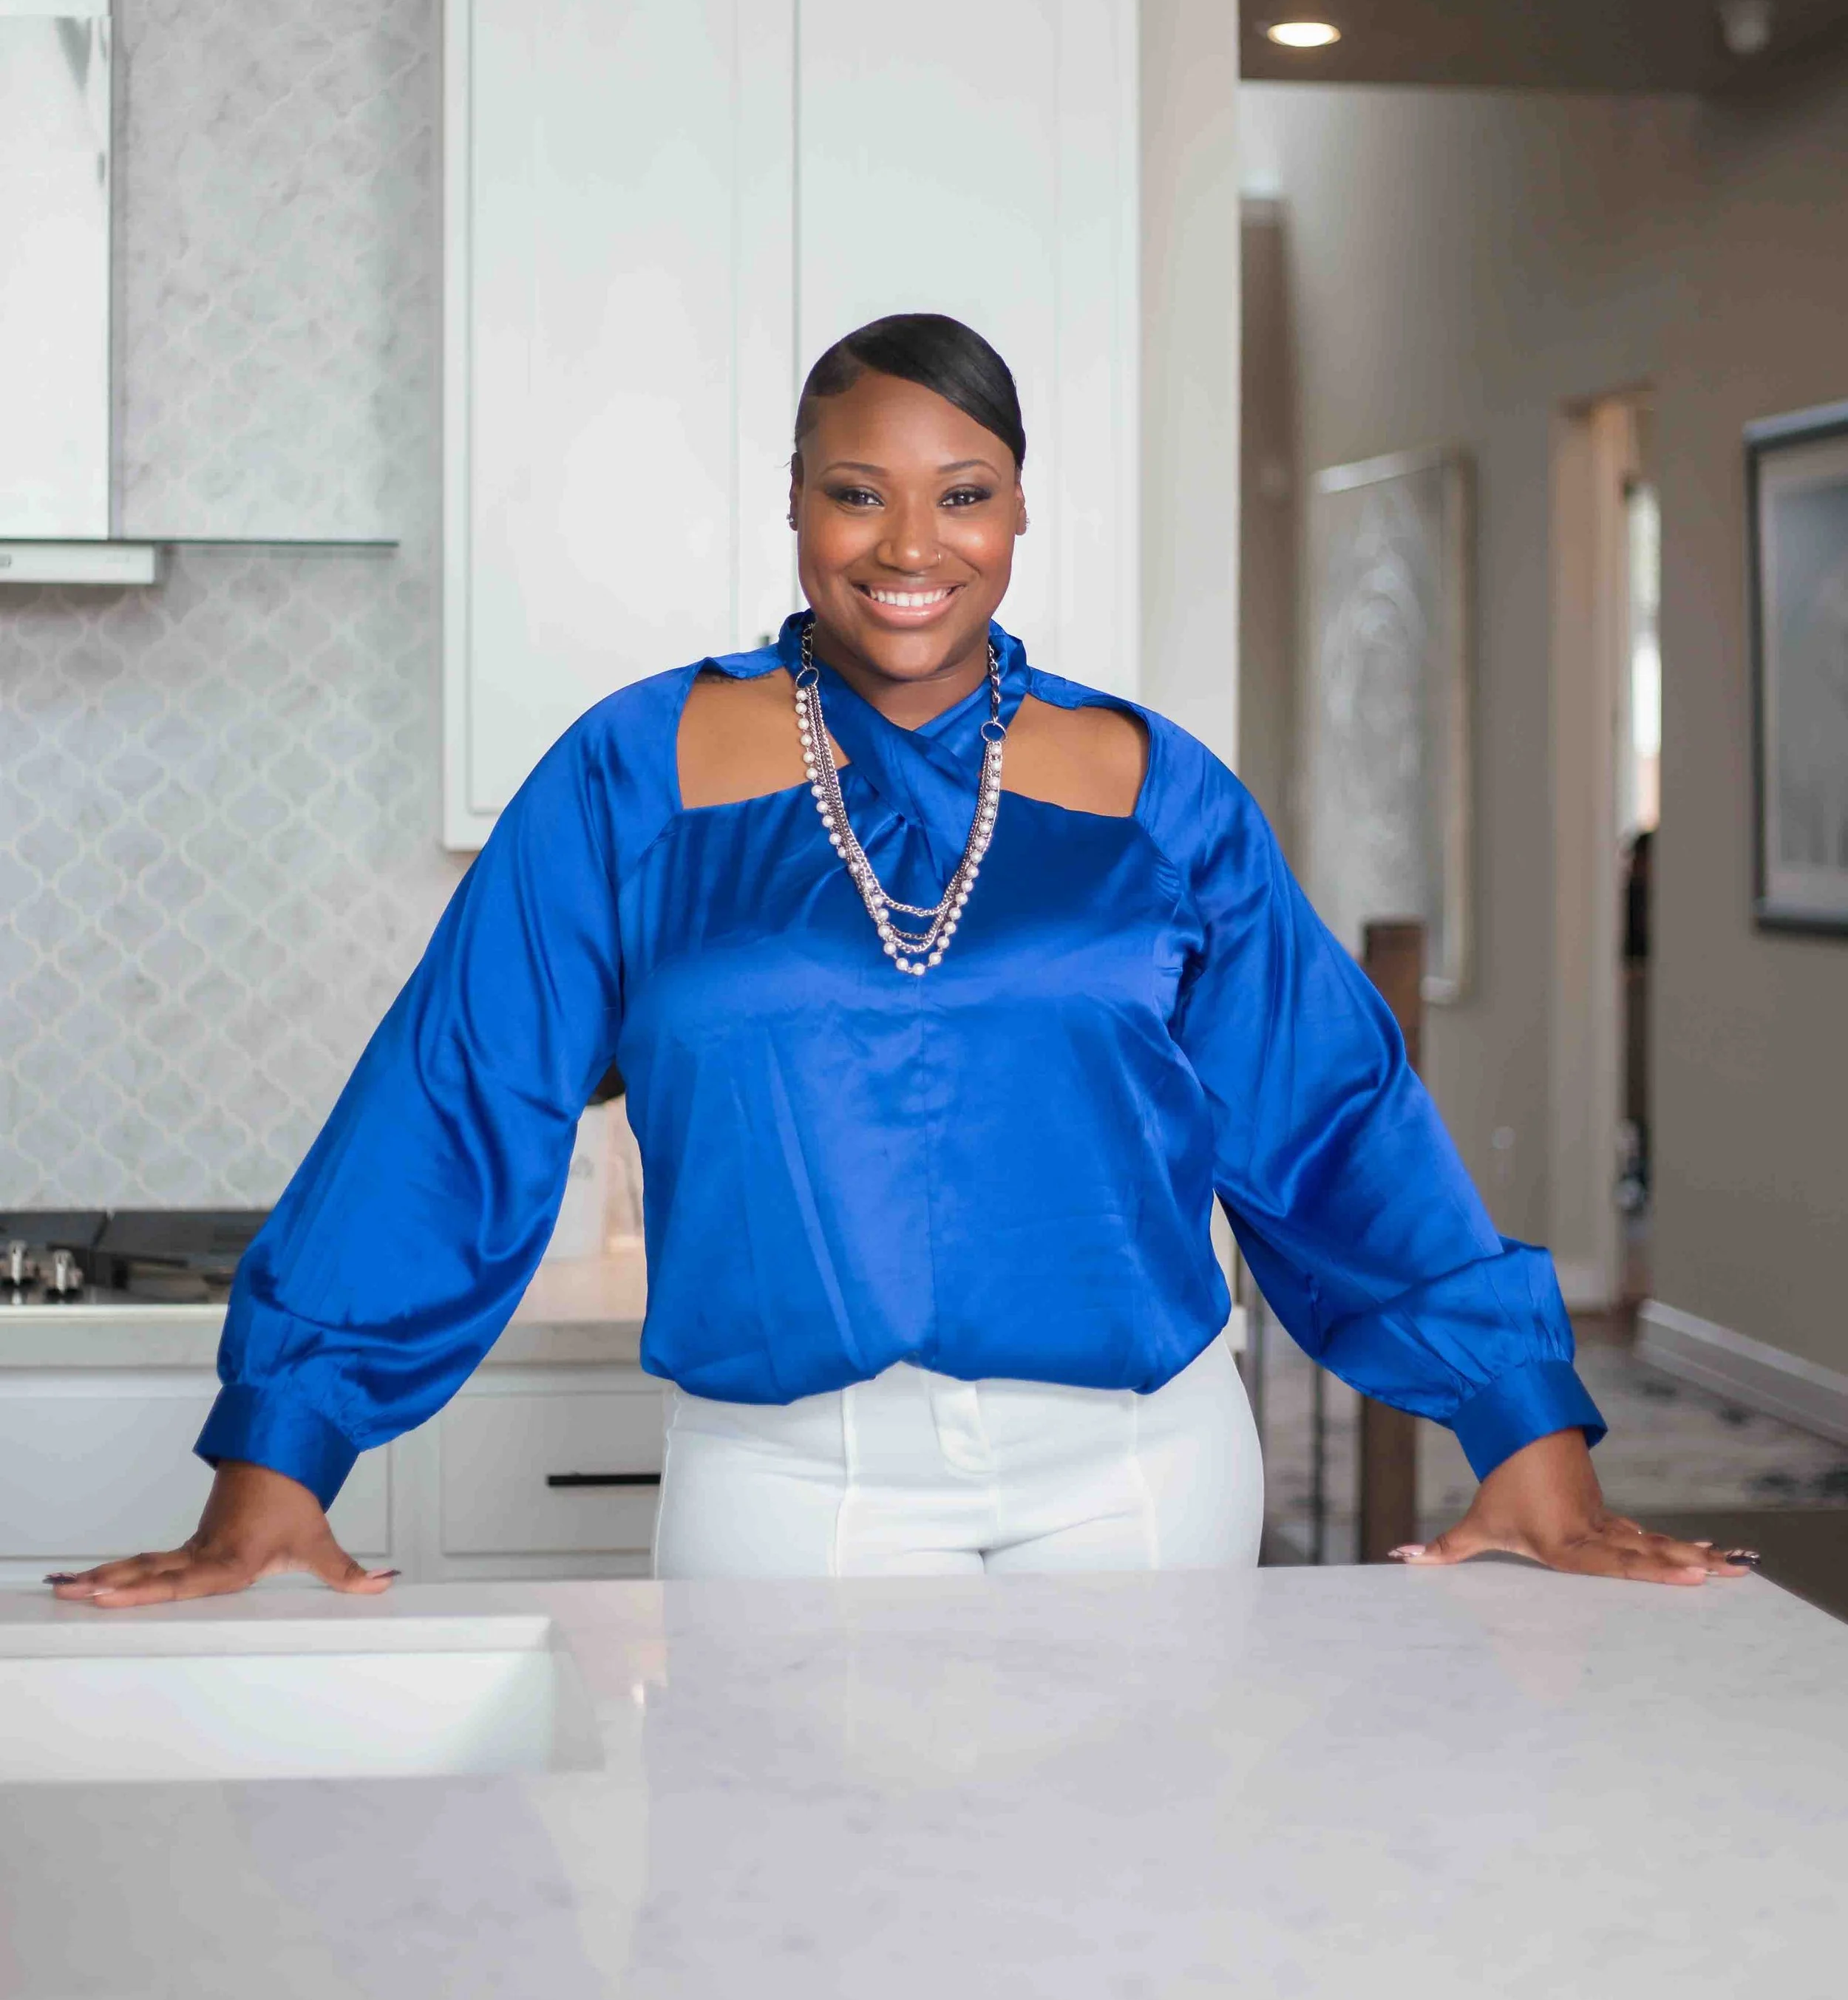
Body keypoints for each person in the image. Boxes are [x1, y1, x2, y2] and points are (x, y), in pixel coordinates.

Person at [52, 316, 1748, 1602]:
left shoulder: (1153, 790)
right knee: (775, 1950)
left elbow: (1333, 1119)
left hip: (1140, 1480)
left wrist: (1522, 1427)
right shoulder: (631, 776)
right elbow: (452, 1102)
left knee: (1130, 1948)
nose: (908, 546)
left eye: (963, 496)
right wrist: (280, 1460)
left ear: (1018, 514)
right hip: (790, 1486)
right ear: (790, 504)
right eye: (855, 494)